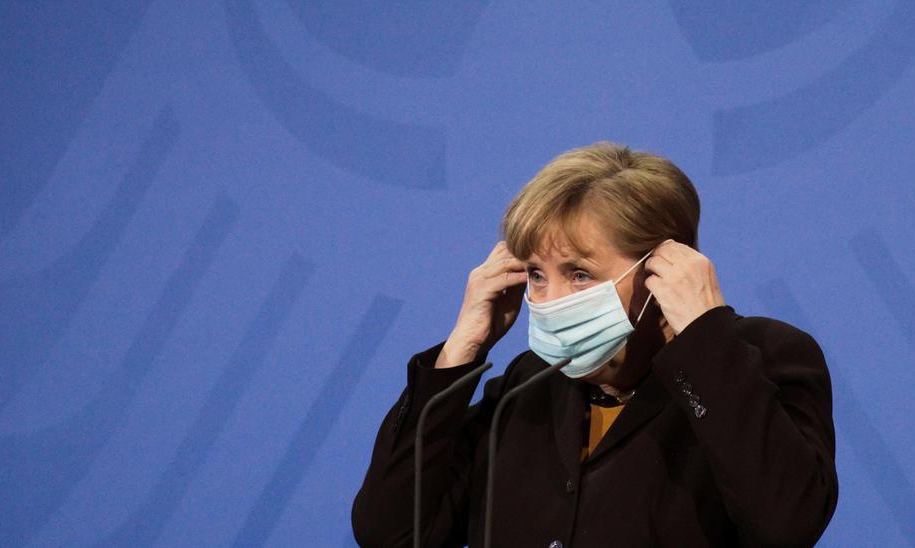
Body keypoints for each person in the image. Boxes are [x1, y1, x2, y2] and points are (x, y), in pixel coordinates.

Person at [351, 142, 837, 547]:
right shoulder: (527, 386)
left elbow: (786, 526)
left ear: (663, 267)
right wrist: (459, 355)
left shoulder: (764, 358)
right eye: (536, 275)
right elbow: (391, 534)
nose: (550, 301)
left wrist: (707, 339)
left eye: (579, 274)